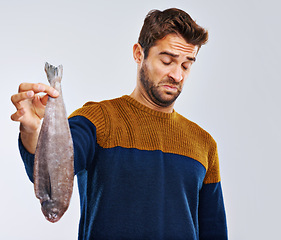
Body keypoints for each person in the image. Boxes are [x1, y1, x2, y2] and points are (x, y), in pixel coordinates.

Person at [11, 8, 228, 240]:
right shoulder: (98, 119)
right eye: (167, 61)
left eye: (186, 65)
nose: (177, 75)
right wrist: (33, 130)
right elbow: (52, 177)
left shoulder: (204, 144)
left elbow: (214, 231)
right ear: (138, 53)